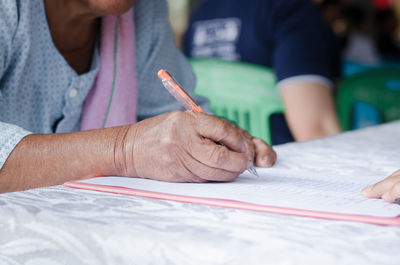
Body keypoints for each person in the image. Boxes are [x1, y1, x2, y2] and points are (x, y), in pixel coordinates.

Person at [0, 0, 276, 193]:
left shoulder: (143, 9)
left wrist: (213, 140)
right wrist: (126, 150)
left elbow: (173, 116)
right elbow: (142, 146)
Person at [184, 0, 342, 145]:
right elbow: (316, 129)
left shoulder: (202, 12)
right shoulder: (290, 9)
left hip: (217, 158)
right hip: (282, 159)